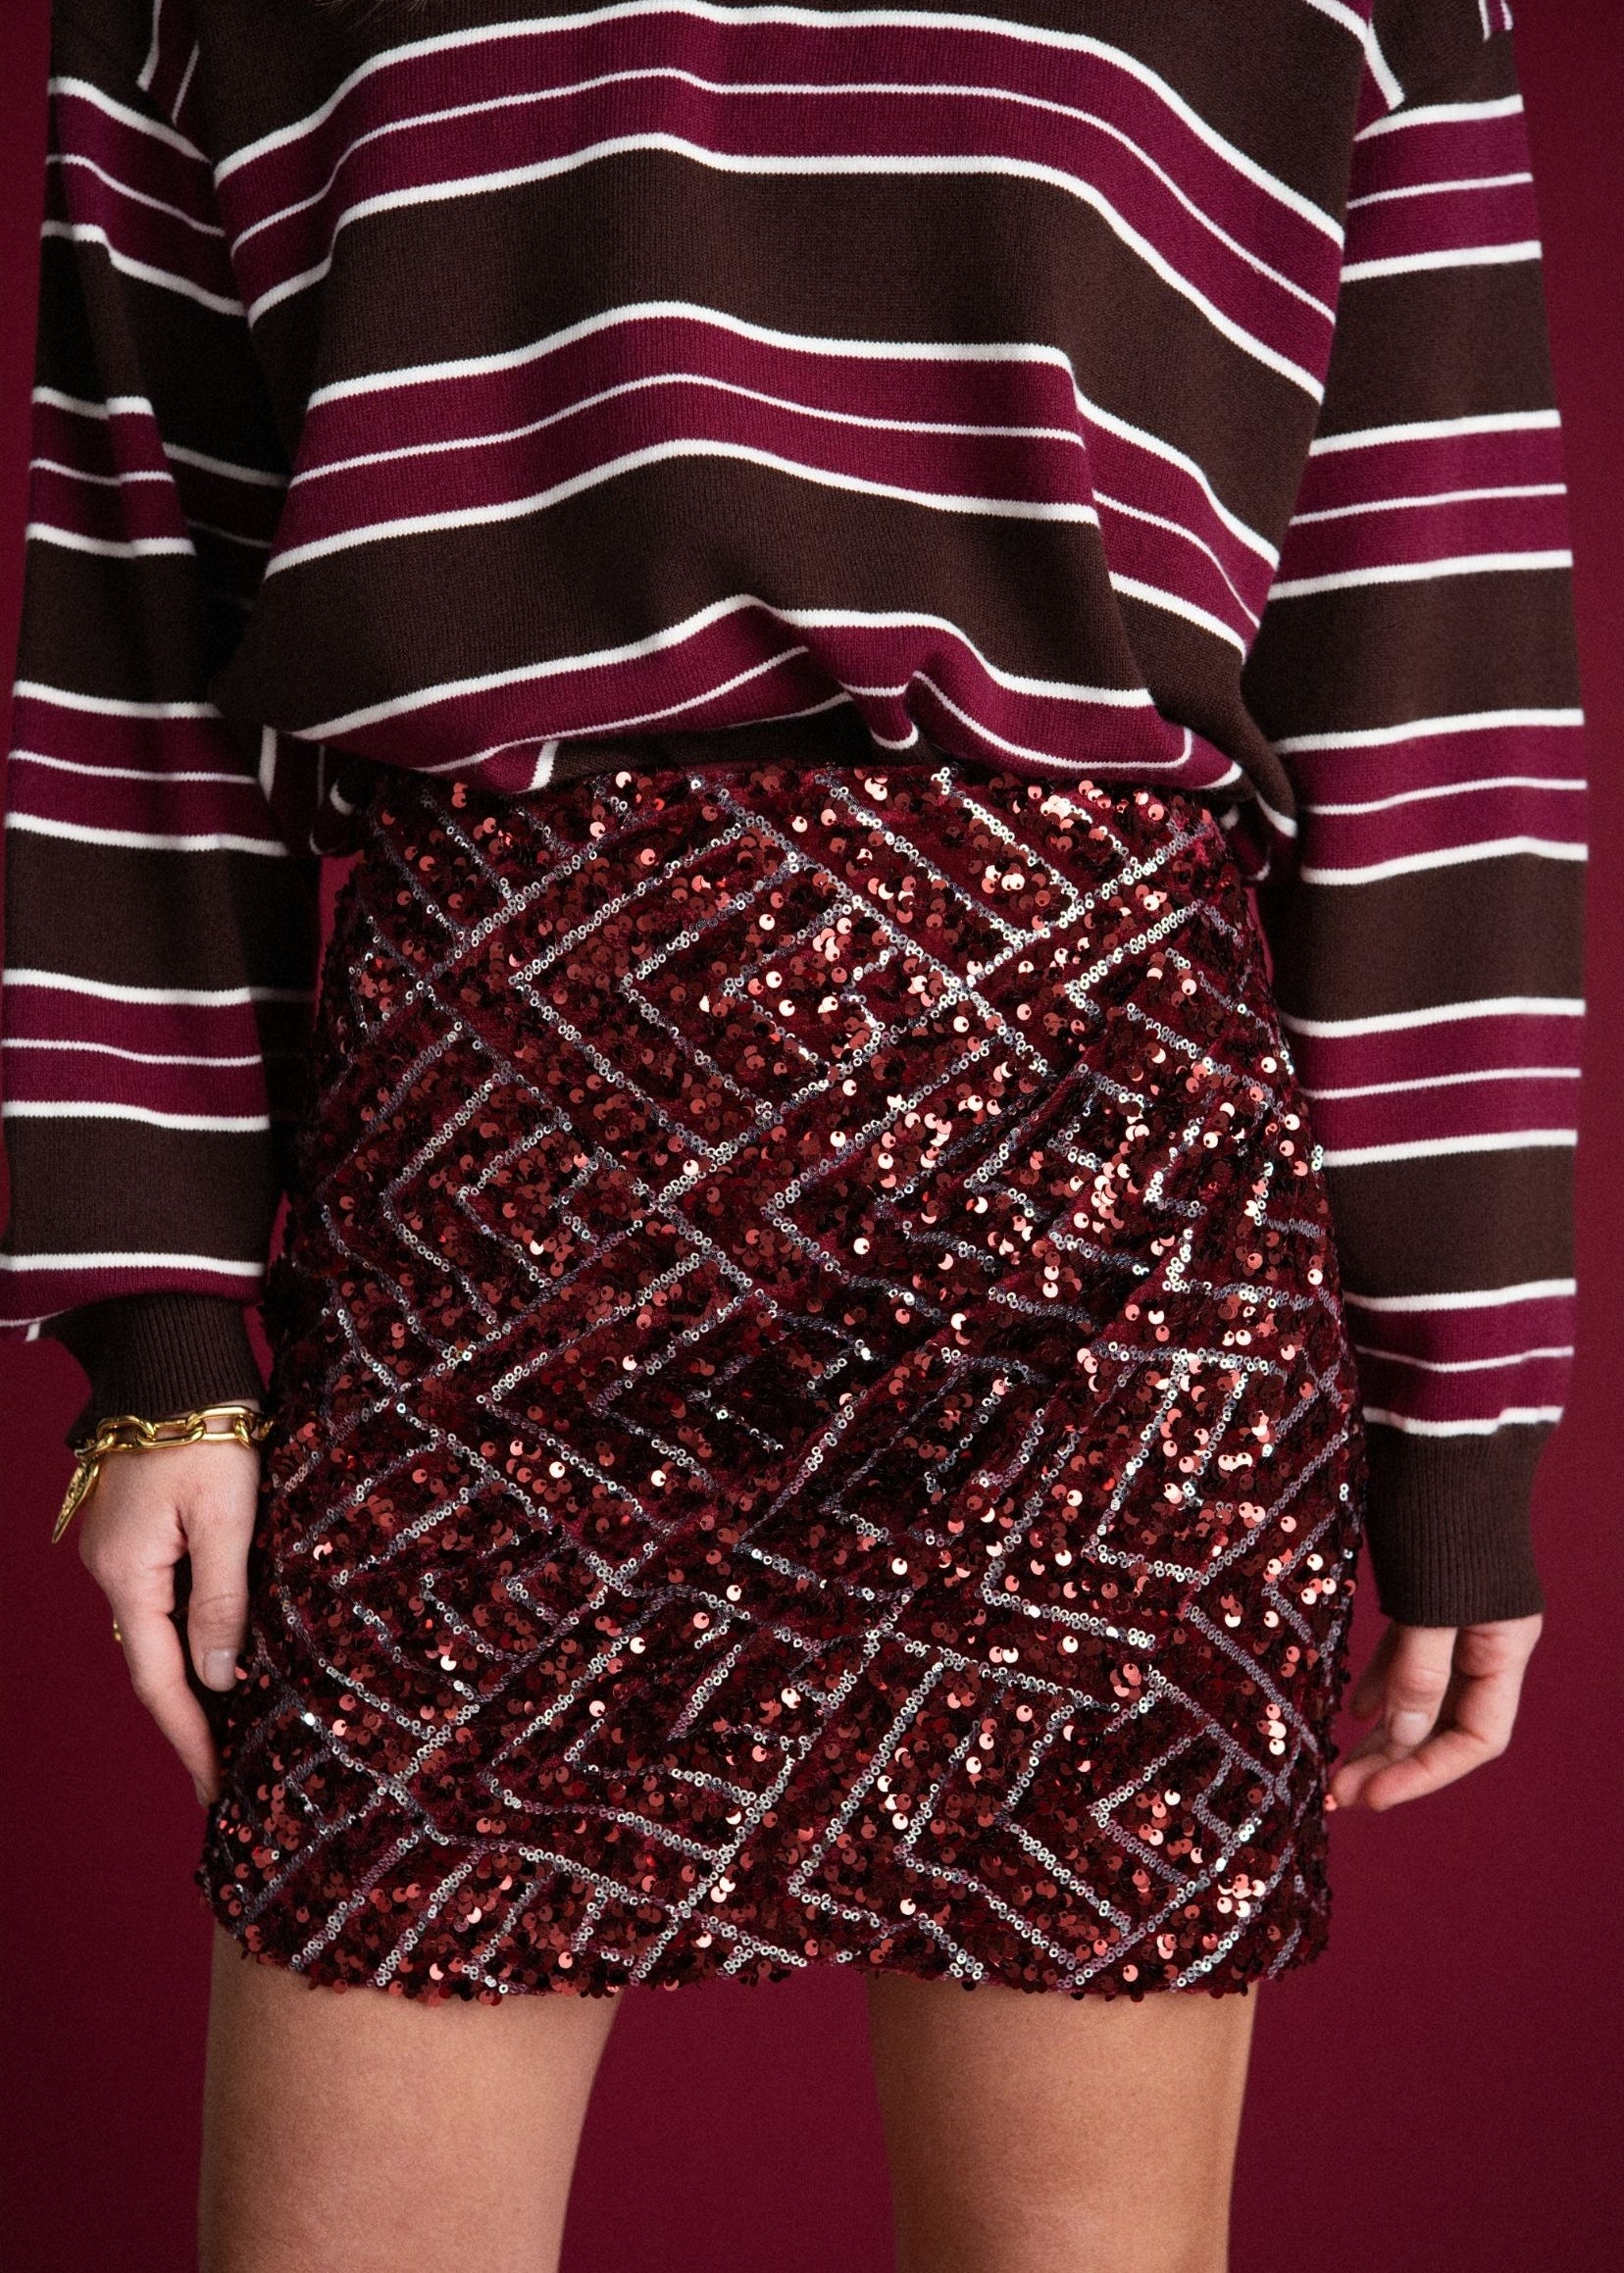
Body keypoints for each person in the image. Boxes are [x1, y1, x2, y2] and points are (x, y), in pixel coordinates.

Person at [1, 1, 1583, 2267]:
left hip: (1098, 1206)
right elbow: (141, 617)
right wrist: (158, 1331)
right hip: (486, 1218)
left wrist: (1460, 1404)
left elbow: (1434, 658)